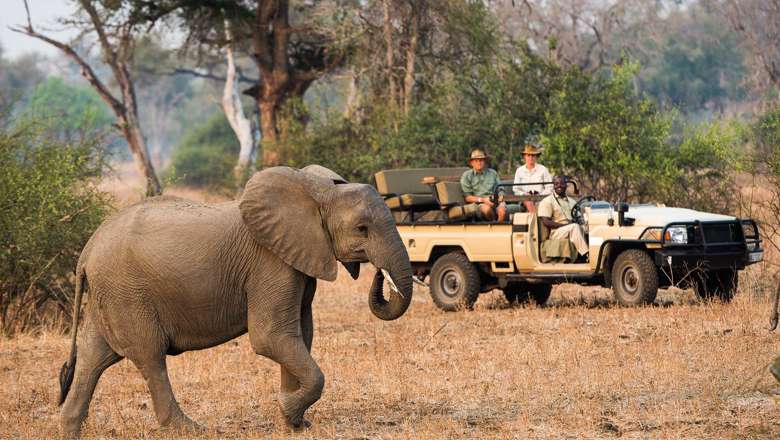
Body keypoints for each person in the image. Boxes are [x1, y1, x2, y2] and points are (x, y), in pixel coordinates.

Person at [537, 175, 588, 260]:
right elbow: (546, 222)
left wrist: (584, 223)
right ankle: (587, 254)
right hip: (556, 232)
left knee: (588, 227)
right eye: (556, 184)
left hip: (571, 228)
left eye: (562, 183)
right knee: (574, 227)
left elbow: (578, 217)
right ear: (554, 186)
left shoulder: (572, 201)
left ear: (566, 185)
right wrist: (566, 226)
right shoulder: (547, 201)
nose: (559, 186)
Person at [460, 148, 507, 221]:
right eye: (476, 160)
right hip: (479, 203)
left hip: (494, 200)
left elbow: (500, 188)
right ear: (472, 163)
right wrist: (483, 200)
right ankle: (494, 226)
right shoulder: (466, 176)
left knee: (502, 212)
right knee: (486, 210)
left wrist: (500, 196)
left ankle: (498, 228)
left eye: (481, 160)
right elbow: (467, 197)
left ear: (484, 161)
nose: (479, 162)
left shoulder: (493, 173)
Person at [512, 143, 552, 212]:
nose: (531, 158)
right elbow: (516, 189)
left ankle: (535, 220)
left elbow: (550, 187)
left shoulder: (543, 169)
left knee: (541, 205)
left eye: (533, 155)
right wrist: (524, 194)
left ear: (536, 157)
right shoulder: (519, 171)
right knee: (529, 203)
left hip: (541, 198)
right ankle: (536, 219)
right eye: (528, 155)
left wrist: (539, 196)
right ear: (525, 156)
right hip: (524, 199)